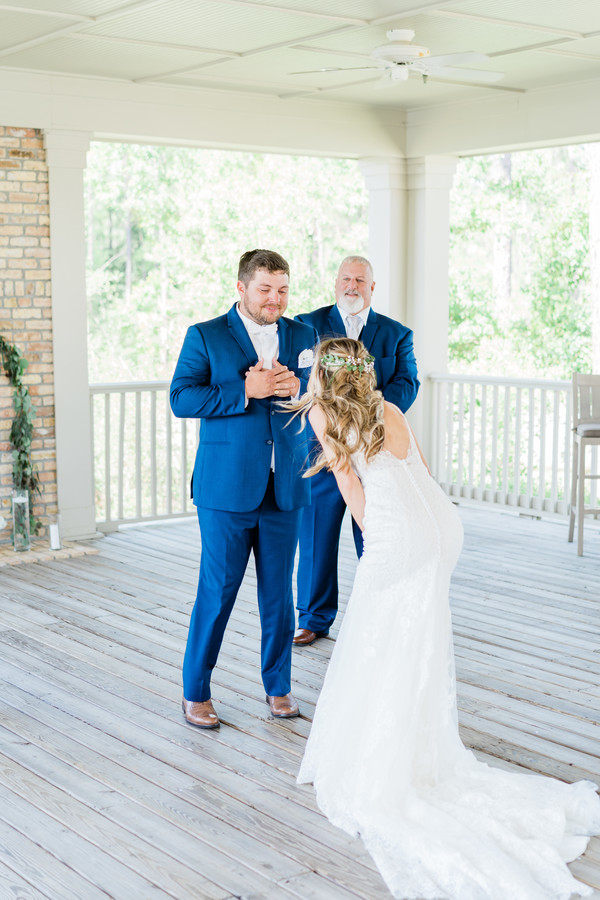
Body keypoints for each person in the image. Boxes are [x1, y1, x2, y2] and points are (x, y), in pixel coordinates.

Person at [294, 336, 600, 900]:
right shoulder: (389, 407)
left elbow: (348, 484)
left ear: (325, 376)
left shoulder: (322, 412)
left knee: (378, 633)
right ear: (362, 370)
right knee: (418, 639)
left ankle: (386, 757)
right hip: (441, 523)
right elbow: (421, 469)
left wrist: (377, 538)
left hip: (402, 530)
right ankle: (416, 740)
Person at [170, 249, 317, 728]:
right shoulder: (206, 335)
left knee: (279, 596)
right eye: (264, 290)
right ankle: (196, 692)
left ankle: (278, 688)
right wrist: (244, 392)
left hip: (285, 488)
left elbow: (317, 398)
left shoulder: (303, 336)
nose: (274, 299)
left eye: (282, 290)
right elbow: (181, 398)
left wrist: (297, 390)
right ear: (241, 288)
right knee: (217, 591)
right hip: (226, 490)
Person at [293, 255, 419, 646]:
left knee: (378, 530)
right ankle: (313, 618)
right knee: (316, 536)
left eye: (360, 280)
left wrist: (367, 415)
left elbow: (406, 383)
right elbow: (302, 377)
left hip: (375, 450)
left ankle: (381, 611)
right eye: (346, 278)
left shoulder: (397, 334)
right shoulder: (306, 325)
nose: (352, 285)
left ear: (372, 287)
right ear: (336, 283)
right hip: (325, 447)